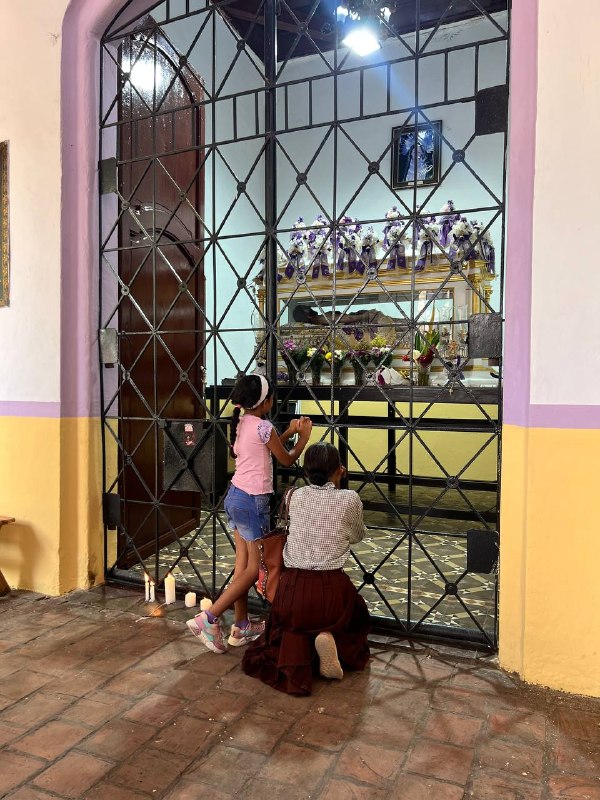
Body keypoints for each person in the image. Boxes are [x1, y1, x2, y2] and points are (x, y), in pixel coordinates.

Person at [187, 373, 312, 653]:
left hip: (235, 497)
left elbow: (265, 448)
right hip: (253, 501)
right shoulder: (264, 427)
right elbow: (287, 459)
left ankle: (241, 626)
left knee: (242, 567)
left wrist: (289, 433)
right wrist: (303, 437)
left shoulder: (243, 422)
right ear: (266, 402)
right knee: (254, 569)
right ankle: (208, 618)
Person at [241, 442, 370, 695]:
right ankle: (331, 638)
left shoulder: (295, 496)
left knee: (291, 628)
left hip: (292, 594)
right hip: (331, 592)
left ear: (307, 471)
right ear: (339, 470)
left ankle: (307, 645)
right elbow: (357, 536)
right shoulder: (349, 499)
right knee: (356, 614)